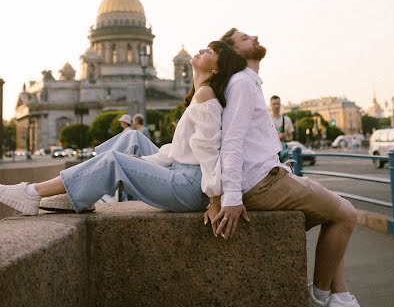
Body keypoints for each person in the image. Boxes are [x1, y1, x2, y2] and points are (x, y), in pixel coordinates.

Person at [212, 28, 376, 307]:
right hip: (263, 182)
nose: (254, 36)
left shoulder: (247, 82)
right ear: (235, 52)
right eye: (245, 37)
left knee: (333, 211)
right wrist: (233, 197)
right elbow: (232, 141)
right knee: (346, 214)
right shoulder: (242, 84)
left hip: (271, 175)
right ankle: (322, 298)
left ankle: (340, 297)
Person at [0, 41, 246, 224]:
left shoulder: (205, 94)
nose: (203, 50)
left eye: (210, 53)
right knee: (132, 137)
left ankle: (32, 193)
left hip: (190, 187)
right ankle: (79, 191)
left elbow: (209, 151)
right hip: (180, 170)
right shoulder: (199, 92)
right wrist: (141, 162)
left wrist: (215, 201)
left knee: (114, 161)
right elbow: (179, 151)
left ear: (216, 69)